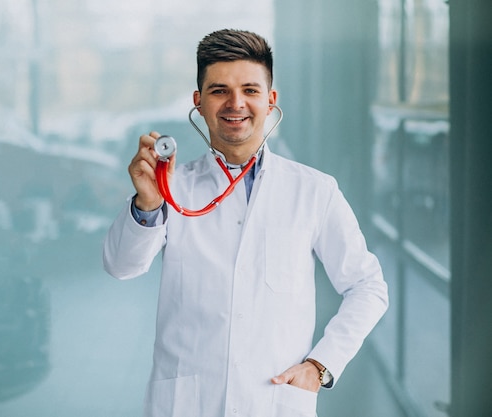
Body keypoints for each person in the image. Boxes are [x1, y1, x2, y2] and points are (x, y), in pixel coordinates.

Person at [103, 29, 388, 417]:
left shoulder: (314, 191)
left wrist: (320, 366)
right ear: (198, 102)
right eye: (219, 90)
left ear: (270, 101)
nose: (235, 103)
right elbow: (121, 266)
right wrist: (148, 202)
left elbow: (368, 286)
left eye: (250, 90)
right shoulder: (170, 186)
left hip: (274, 401)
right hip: (187, 404)